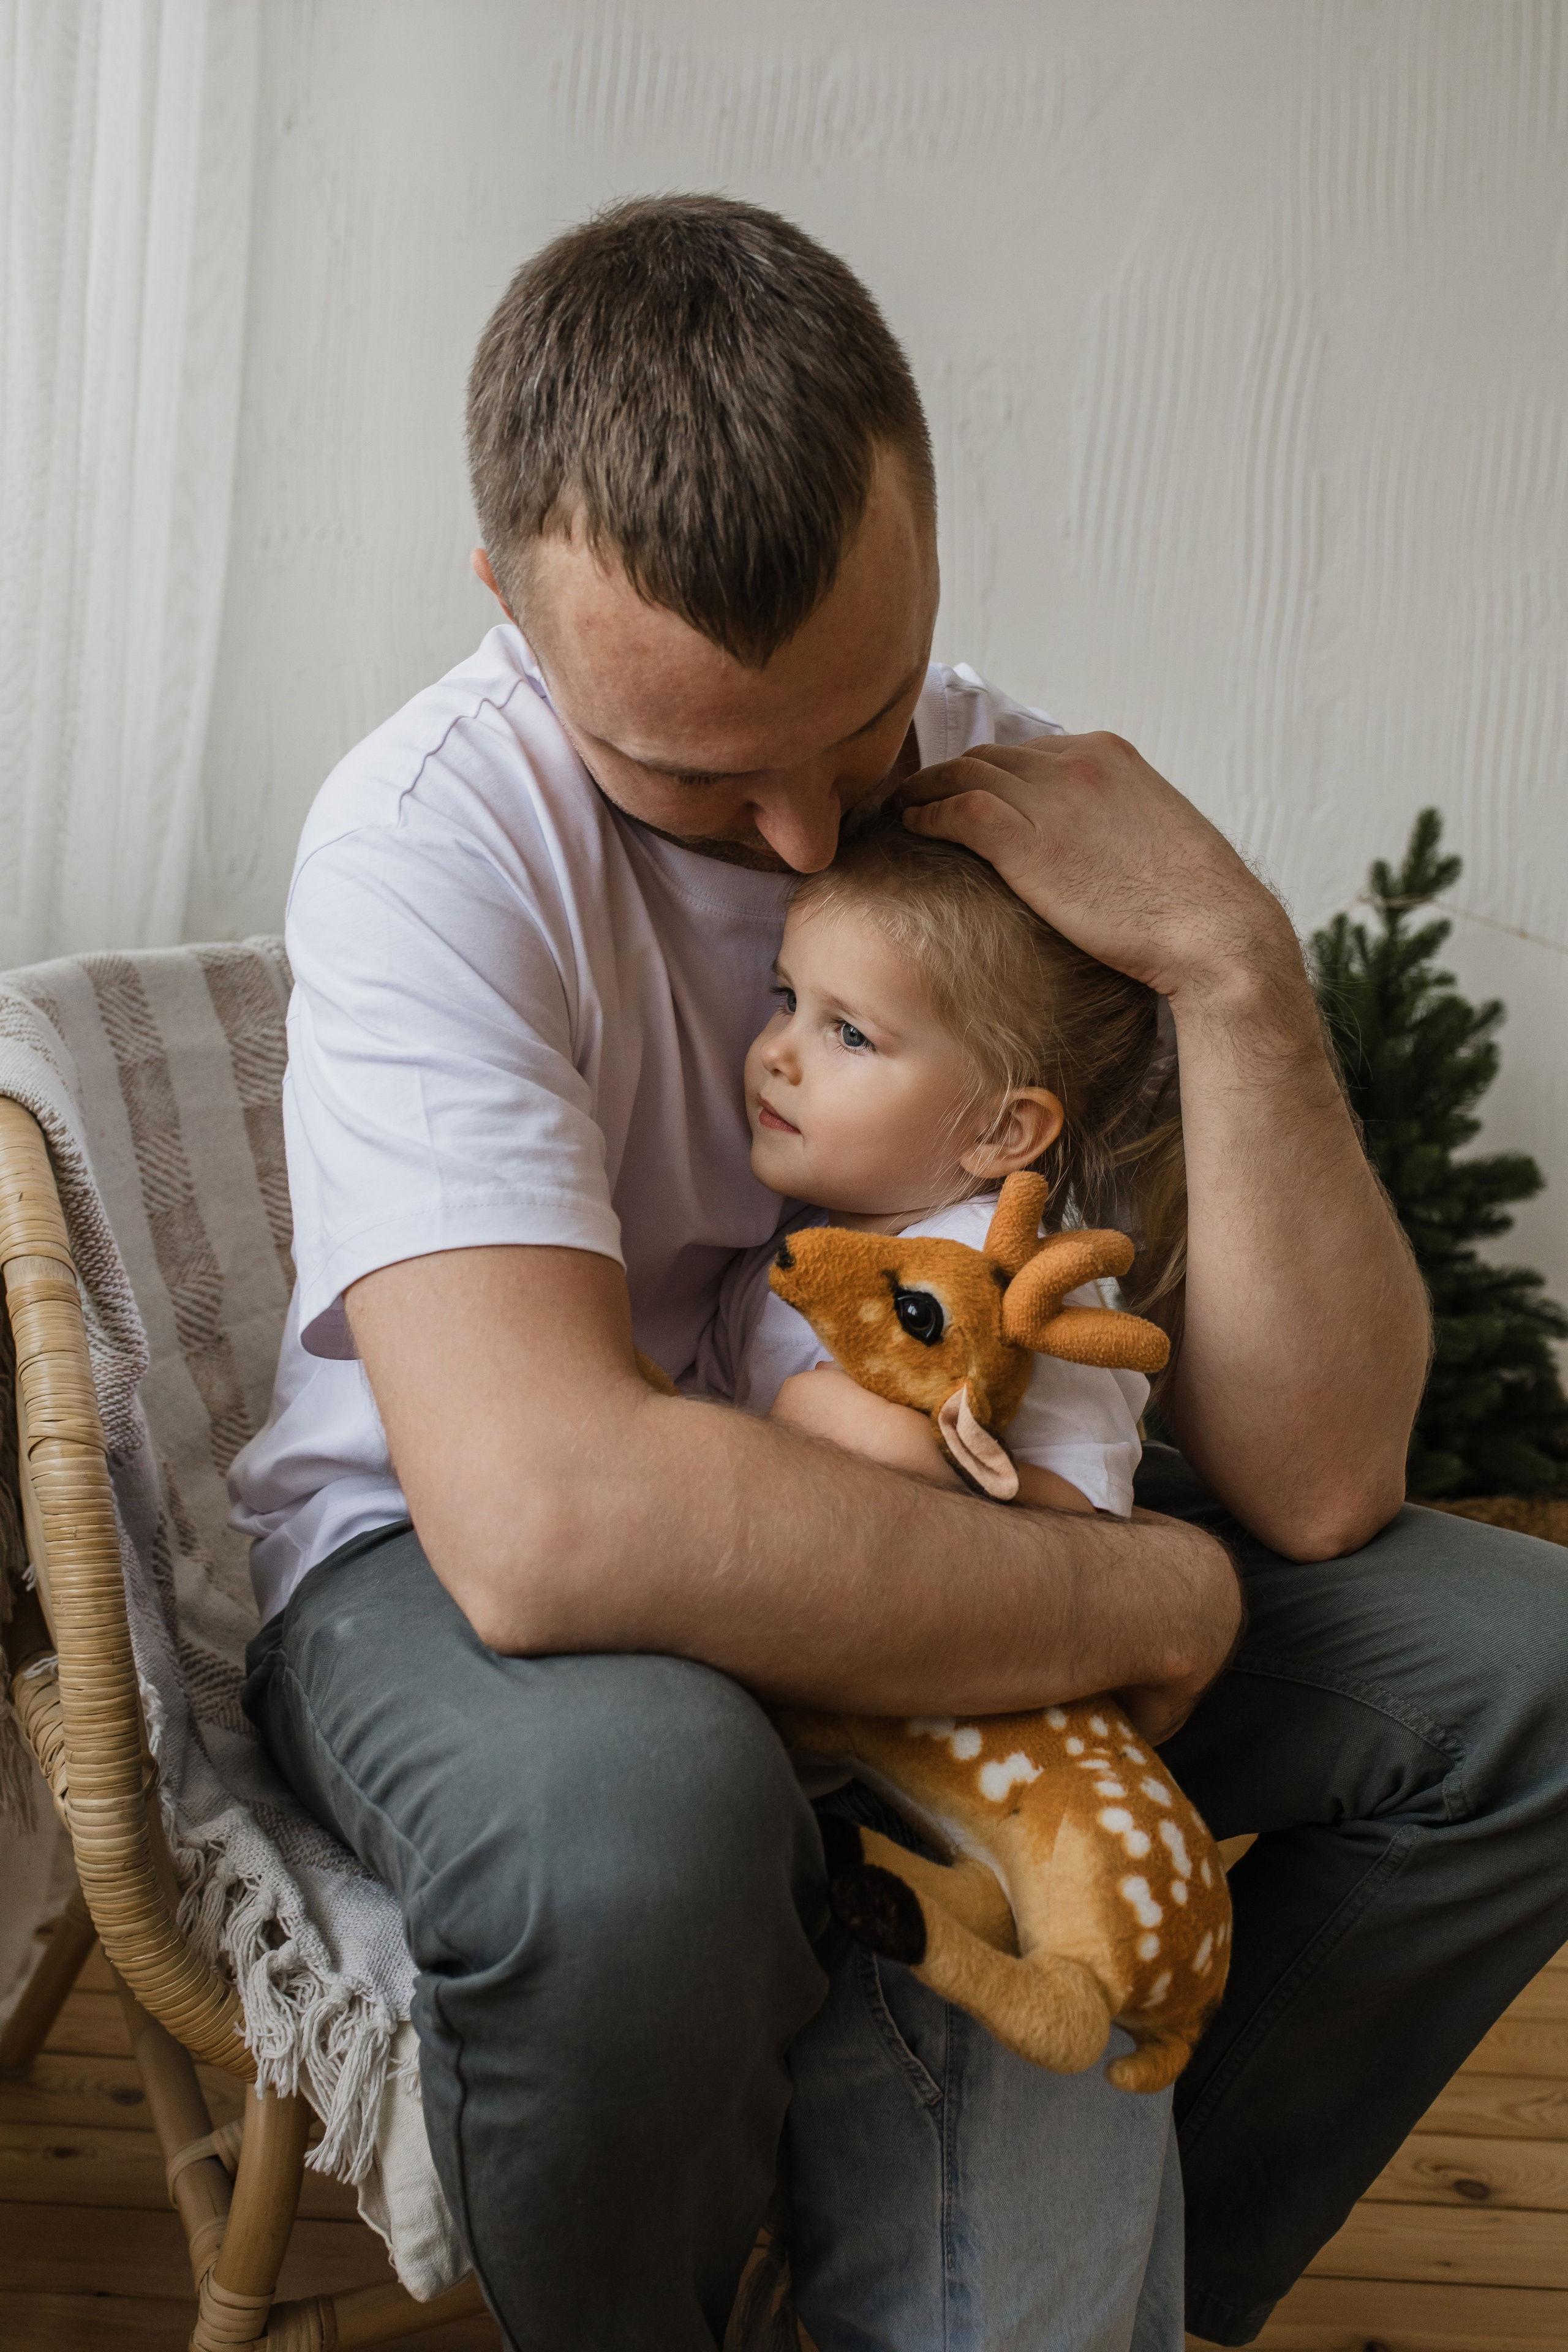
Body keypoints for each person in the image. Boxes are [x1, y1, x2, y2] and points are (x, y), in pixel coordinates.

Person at [234, 195, 1568, 2350]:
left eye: (851, 737)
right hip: (453, 1560)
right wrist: (1156, 1599)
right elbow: (552, 1523)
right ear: (508, 604)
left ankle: (1046, 2288)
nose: (795, 850)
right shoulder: (427, 838)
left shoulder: (1006, 805)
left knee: (1521, 1680)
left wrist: (1232, 963)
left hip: (947, 1505)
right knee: (636, 1836)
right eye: (690, 768)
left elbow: (1323, 1482)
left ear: (925, 545)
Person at [722, 816, 1173, 1523]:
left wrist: (887, 1449)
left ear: (997, 1131)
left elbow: (1092, 1501)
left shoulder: (1000, 1268)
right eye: (788, 1001)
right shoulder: (784, 1254)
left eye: (850, 1034)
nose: (777, 1052)